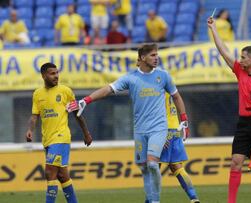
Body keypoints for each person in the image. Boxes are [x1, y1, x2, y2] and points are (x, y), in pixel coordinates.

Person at [66, 43, 190, 203]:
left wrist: (184, 120)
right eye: (152, 55)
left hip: (159, 129)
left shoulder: (163, 76)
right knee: (146, 169)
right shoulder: (131, 78)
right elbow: (108, 89)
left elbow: (177, 97)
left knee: (152, 165)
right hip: (140, 130)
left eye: (157, 54)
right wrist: (86, 100)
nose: (156, 57)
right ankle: (151, 200)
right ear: (142, 58)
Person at [208, 16, 251, 203]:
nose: (239, 59)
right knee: (235, 163)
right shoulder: (239, 71)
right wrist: (213, 28)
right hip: (243, 124)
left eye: (243, 57)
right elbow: (223, 50)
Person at [25, 62, 92, 203]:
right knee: (62, 175)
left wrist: (86, 133)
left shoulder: (66, 91)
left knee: (50, 172)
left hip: (61, 137)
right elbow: (34, 115)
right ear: (43, 76)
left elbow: (77, 114)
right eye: (52, 73)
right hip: (48, 139)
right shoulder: (37, 94)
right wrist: (30, 129)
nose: (56, 76)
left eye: (57, 73)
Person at [160, 93, 200, 203]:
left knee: (153, 166)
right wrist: (184, 124)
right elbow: (177, 100)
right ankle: (194, 197)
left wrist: (159, 134)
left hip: (162, 129)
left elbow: (157, 110)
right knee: (176, 167)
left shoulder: (156, 85)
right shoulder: (169, 84)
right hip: (175, 129)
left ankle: (150, 200)